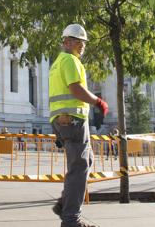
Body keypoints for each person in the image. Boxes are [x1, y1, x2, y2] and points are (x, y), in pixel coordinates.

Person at [49, 23, 109, 227]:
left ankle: (64, 204)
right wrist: (98, 101)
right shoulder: (70, 61)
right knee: (79, 167)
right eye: (77, 41)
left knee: (86, 160)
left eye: (83, 42)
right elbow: (76, 89)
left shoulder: (58, 62)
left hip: (63, 120)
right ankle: (71, 219)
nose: (82, 46)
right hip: (72, 120)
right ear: (66, 42)